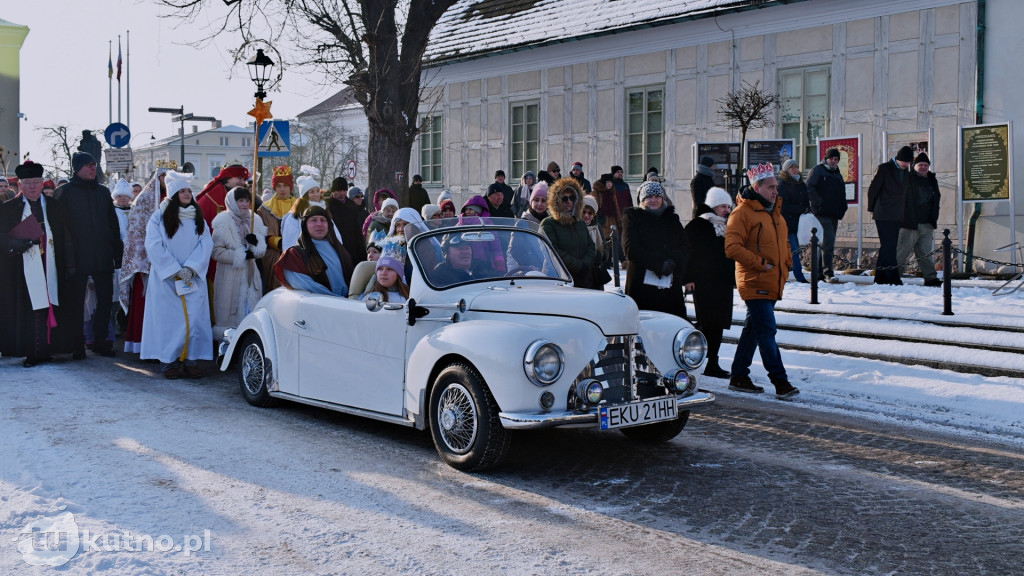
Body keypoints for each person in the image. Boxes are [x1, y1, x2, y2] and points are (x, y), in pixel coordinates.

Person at [724, 163, 799, 400]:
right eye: (771, 187)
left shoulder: (774, 211)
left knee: (753, 331)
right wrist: (760, 263)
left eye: (776, 186)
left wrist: (786, 265)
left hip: (772, 280)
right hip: (754, 280)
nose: (776, 191)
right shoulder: (742, 212)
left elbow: (785, 242)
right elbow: (732, 247)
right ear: (757, 188)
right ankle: (780, 381)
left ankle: (738, 376)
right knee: (767, 331)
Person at [140, 171, 214, 379]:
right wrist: (174, 270)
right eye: (182, 191)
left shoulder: (198, 217)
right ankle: (168, 361)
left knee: (194, 317)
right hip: (167, 279)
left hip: (192, 277)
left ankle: (191, 359)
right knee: (169, 320)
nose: (187, 194)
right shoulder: (159, 218)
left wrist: (191, 268)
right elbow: (153, 245)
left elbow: (205, 243)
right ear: (173, 195)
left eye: (189, 190)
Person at [0, 161, 74, 367]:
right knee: (28, 308)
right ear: (20, 185)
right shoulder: (8, 209)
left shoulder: (55, 207)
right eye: (27, 182)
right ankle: (31, 351)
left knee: (52, 303)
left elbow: (67, 236)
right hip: (20, 267)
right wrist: (15, 243)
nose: (32, 186)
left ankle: (50, 348)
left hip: (51, 264)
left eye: (36, 182)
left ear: (42, 183)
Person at [53, 152, 123, 358]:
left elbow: (113, 224)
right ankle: (76, 344)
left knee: (105, 301)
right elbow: (58, 228)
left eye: (94, 165)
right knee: (74, 303)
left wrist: (117, 254)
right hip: (76, 258)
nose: (93, 169)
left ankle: (101, 342)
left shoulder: (103, 192)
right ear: (78, 168)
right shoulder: (64, 193)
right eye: (88, 165)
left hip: (101, 255)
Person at [685, 187, 736, 379]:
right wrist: (688, 278)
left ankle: (713, 362)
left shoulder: (726, 225)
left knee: (719, 324)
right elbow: (688, 253)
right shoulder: (699, 224)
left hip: (722, 283)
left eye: (728, 206)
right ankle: (695, 358)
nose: (726, 210)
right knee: (707, 323)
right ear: (713, 205)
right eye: (723, 206)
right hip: (703, 283)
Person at [621, 181, 691, 317]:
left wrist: (673, 261)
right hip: (642, 285)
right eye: (649, 197)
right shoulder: (632, 218)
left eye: (657, 196)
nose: (653, 200)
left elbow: (685, 246)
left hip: (669, 284)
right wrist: (658, 264)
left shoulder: (672, 219)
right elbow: (631, 249)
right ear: (642, 200)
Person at [119, 168, 168, 354]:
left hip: (171, 260)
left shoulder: (178, 197)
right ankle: (144, 344)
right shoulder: (145, 199)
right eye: (163, 175)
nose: (166, 179)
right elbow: (136, 233)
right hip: (148, 262)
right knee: (146, 304)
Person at [211, 187, 267, 340]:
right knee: (229, 314)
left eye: (247, 200)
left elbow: (261, 251)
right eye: (240, 200)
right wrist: (239, 255)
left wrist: (256, 245)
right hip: (230, 277)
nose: (245, 204)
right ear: (232, 202)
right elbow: (216, 251)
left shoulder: (255, 220)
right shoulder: (223, 222)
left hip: (251, 276)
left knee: (251, 313)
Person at [275, 206, 354, 297]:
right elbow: (303, 284)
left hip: (347, 304)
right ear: (305, 225)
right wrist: (336, 299)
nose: (319, 224)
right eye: (313, 220)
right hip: (319, 306)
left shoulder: (340, 250)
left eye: (323, 220)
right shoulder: (294, 255)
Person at [541, 178, 602, 289]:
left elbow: (590, 246)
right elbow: (552, 251)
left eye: (572, 198)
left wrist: (585, 264)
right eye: (565, 198)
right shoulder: (549, 224)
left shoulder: (580, 223)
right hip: (559, 280)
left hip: (584, 279)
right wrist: (578, 266)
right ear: (557, 200)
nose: (569, 201)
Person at [868, 145, 914, 285]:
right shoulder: (884, 168)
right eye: (905, 162)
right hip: (883, 213)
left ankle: (880, 277)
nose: (906, 165)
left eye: (909, 162)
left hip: (897, 214)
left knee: (887, 246)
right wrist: (872, 208)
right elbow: (873, 189)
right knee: (889, 245)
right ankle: (893, 277)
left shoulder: (906, 172)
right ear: (898, 159)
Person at [897, 152, 942, 287]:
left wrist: (933, 219)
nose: (923, 167)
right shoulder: (907, 178)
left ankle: (930, 278)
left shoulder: (932, 180)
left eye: (926, 165)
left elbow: (936, 200)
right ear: (914, 166)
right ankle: (894, 276)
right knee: (901, 253)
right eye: (920, 165)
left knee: (925, 254)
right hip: (909, 223)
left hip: (927, 224)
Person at [806, 148, 848, 281]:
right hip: (821, 213)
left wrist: (843, 208)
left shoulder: (837, 174)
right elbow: (809, 188)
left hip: (834, 213)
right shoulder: (818, 170)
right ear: (826, 158)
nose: (834, 161)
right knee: (828, 241)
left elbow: (842, 193)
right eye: (831, 159)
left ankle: (818, 272)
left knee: (827, 242)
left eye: (836, 159)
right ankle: (828, 272)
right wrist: (819, 203)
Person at [257, 165, 295, 292]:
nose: (282, 189)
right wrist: (281, 243)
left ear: (291, 186)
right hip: (273, 257)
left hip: (296, 255)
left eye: (285, 185)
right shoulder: (264, 209)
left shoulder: (300, 206)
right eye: (279, 186)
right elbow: (262, 234)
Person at [778, 159, 811, 283]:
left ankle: (789, 273)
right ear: (786, 170)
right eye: (792, 167)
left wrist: (807, 208)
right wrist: (801, 209)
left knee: (794, 250)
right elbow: (783, 206)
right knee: (794, 249)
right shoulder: (783, 184)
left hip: (800, 223)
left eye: (796, 167)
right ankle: (798, 275)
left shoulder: (801, 183)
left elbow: (806, 199)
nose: (795, 169)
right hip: (787, 222)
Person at [323, 177, 368, 266]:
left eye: (344, 190)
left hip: (352, 247)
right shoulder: (328, 205)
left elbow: (357, 230)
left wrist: (362, 251)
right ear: (333, 191)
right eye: (339, 190)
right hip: (336, 246)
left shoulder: (351, 206)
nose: (342, 193)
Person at [195, 163, 250, 230]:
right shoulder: (214, 195)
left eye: (244, 179)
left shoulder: (239, 193)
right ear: (228, 177)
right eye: (240, 178)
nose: (243, 182)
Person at [608, 165, 633, 262]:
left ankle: (622, 258)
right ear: (614, 173)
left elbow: (629, 200)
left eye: (621, 172)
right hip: (613, 215)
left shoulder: (625, 185)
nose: (620, 174)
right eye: (618, 172)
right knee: (613, 237)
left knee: (622, 237)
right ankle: (614, 258)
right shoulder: (611, 185)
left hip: (624, 214)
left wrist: (630, 212)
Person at [581, 195, 609, 270]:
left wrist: (600, 256)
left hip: (595, 268)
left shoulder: (597, 227)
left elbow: (604, 247)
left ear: (593, 215)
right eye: (584, 212)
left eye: (590, 213)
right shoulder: (576, 226)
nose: (586, 215)